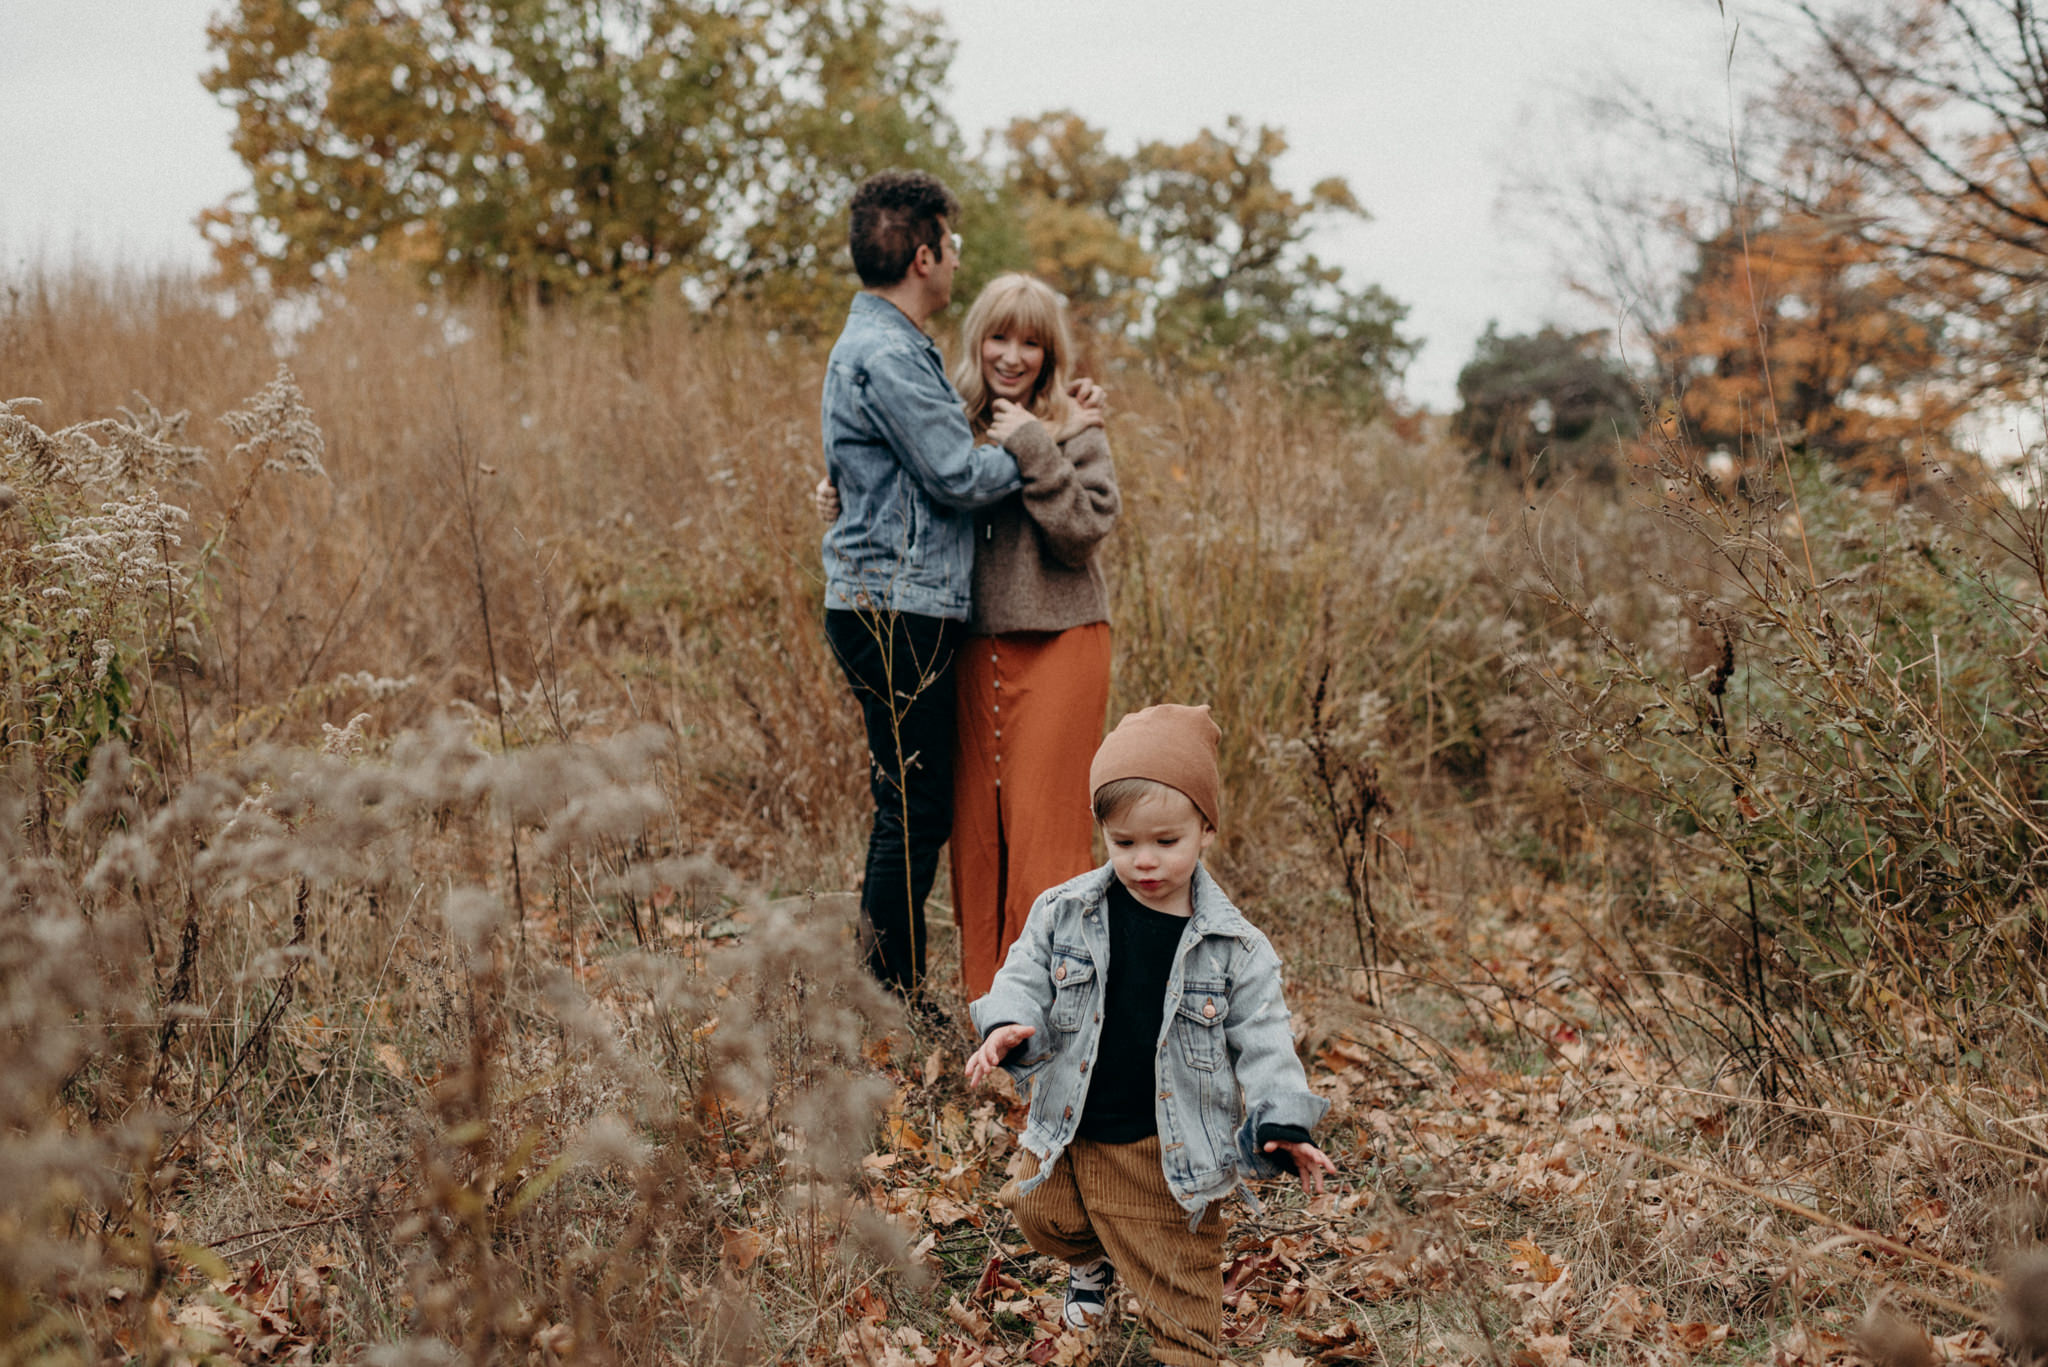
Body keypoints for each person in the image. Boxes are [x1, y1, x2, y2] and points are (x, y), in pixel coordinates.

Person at [965, 704, 1337, 1367]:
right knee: (1038, 1213)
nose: (1144, 860)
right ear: (1103, 831)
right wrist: (1006, 1024)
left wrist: (1285, 1120)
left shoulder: (1237, 950)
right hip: (1070, 1127)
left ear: (1205, 827)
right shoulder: (1065, 911)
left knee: (1183, 1318)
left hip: (1169, 1152)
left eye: (1166, 841)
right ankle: (1093, 1261)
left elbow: (1268, 1041)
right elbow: (1021, 972)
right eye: (1124, 841)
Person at [819, 170, 1091, 1014]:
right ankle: (888, 999)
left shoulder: (878, 343)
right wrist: (1043, 442)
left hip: (894, 598)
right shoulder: (892, 352)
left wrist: (843, 495)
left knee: (912, 801)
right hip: (896, 605)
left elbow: (875, 469)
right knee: (913, 807)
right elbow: (952, 474)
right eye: (954, 246)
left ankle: (889, 992)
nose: (957, 262)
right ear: (927, 255)